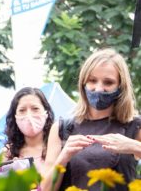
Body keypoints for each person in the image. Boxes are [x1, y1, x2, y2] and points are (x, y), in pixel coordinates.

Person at [41, 48, 140, 191]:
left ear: (121, 86)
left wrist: (134, 146)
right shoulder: (62, 128)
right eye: (92, 81)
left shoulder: (134, 126)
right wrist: (63, 158)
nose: (99, 89)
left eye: (108, 82)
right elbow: (45, 189)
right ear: (83, 83)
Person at [0, 87, 54, 175]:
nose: (29, 115)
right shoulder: (7, 153)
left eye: (35, 108)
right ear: (15, 116)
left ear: (46, 112)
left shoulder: (56, 149)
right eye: (22, 110)